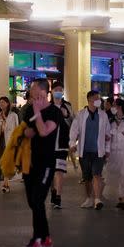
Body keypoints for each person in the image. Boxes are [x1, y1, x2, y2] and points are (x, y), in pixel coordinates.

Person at [20, 79, 61, 247]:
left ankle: (37, 239)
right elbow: (28, 131)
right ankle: (46, 238)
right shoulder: (29, 109)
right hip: (30, 162)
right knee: (32, 202)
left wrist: (37, 115)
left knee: (38, 200)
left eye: (33, 89)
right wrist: (32, 126)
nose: (31, 93)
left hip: (47, 163)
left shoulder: (54, 112)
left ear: (43, 92)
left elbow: (44, 131)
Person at [69, 90, 111, 210]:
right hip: (84, 151)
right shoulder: (81, 114)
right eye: (96, 99)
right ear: (89, 100)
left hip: (98, 151)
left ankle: (97, 199)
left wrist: (107, 149)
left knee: (97, 175)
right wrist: (72, 143)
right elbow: (74, 131)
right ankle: (89, 198)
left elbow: (108, 134)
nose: (99, 101)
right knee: (87, 177)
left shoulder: (103, 115)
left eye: (99, 99)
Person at [49, 81, 74, 209]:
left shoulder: (68, 106)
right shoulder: (46, 106)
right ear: (52, 91)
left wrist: (66, 115)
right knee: (51, 171)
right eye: (56, 89)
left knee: (59, 171)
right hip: (48, 145)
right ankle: (53, 190)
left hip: (63, 144)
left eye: (61, 89)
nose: (59, 91)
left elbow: (73, 123)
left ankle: (58, 197)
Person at [0, 96, 19, 192]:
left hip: (10, 141)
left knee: (7, 162)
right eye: (0, 102)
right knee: (2, 162)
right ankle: (6, 182)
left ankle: (5, 184)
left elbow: (17, 129)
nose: (1, 104)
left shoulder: (13, 115)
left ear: (8, 104)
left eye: (3, 102)